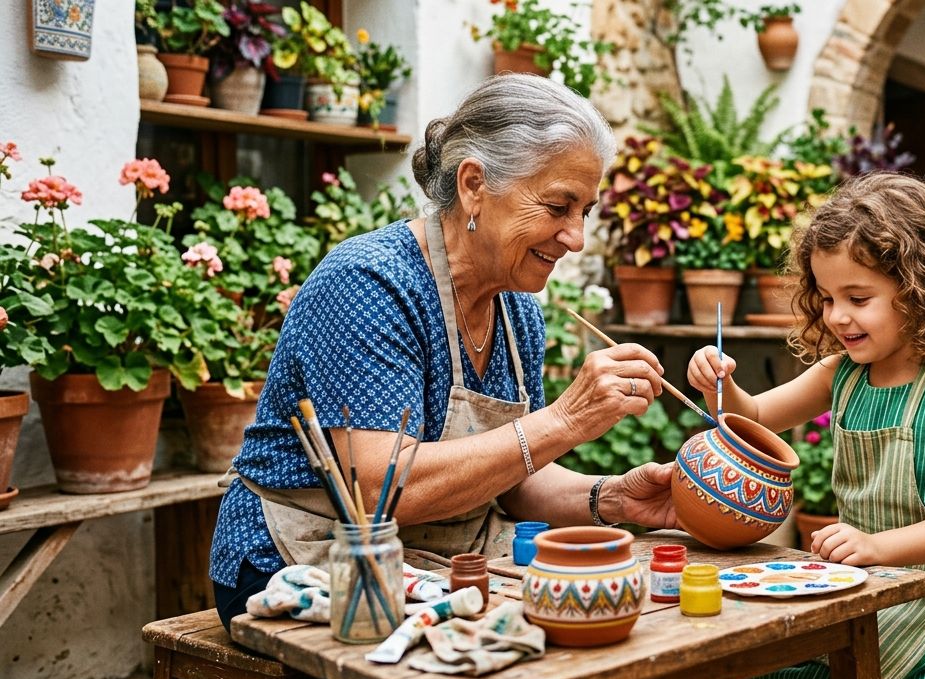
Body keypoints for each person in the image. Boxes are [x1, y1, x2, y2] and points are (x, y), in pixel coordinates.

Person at [209, 74, 677, 638]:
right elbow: (382, 491)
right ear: (474, 184)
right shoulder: (368, 283)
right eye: (558, 206)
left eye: (586, 211)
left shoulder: (513, 306)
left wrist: (613, 498)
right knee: (509, 653)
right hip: (305, 553)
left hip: (441, 554)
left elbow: (512, 477)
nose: (575, 237)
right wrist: (566, 420)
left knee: (617, 633)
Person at [686, 172, 925, 679]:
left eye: (858, 298)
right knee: (739, 665)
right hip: (862, 581)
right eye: (828, 298)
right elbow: (753, 417)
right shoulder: (844, 374)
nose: (837, 316)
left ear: (922, 286)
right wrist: (721, 387)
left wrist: (876, 545)